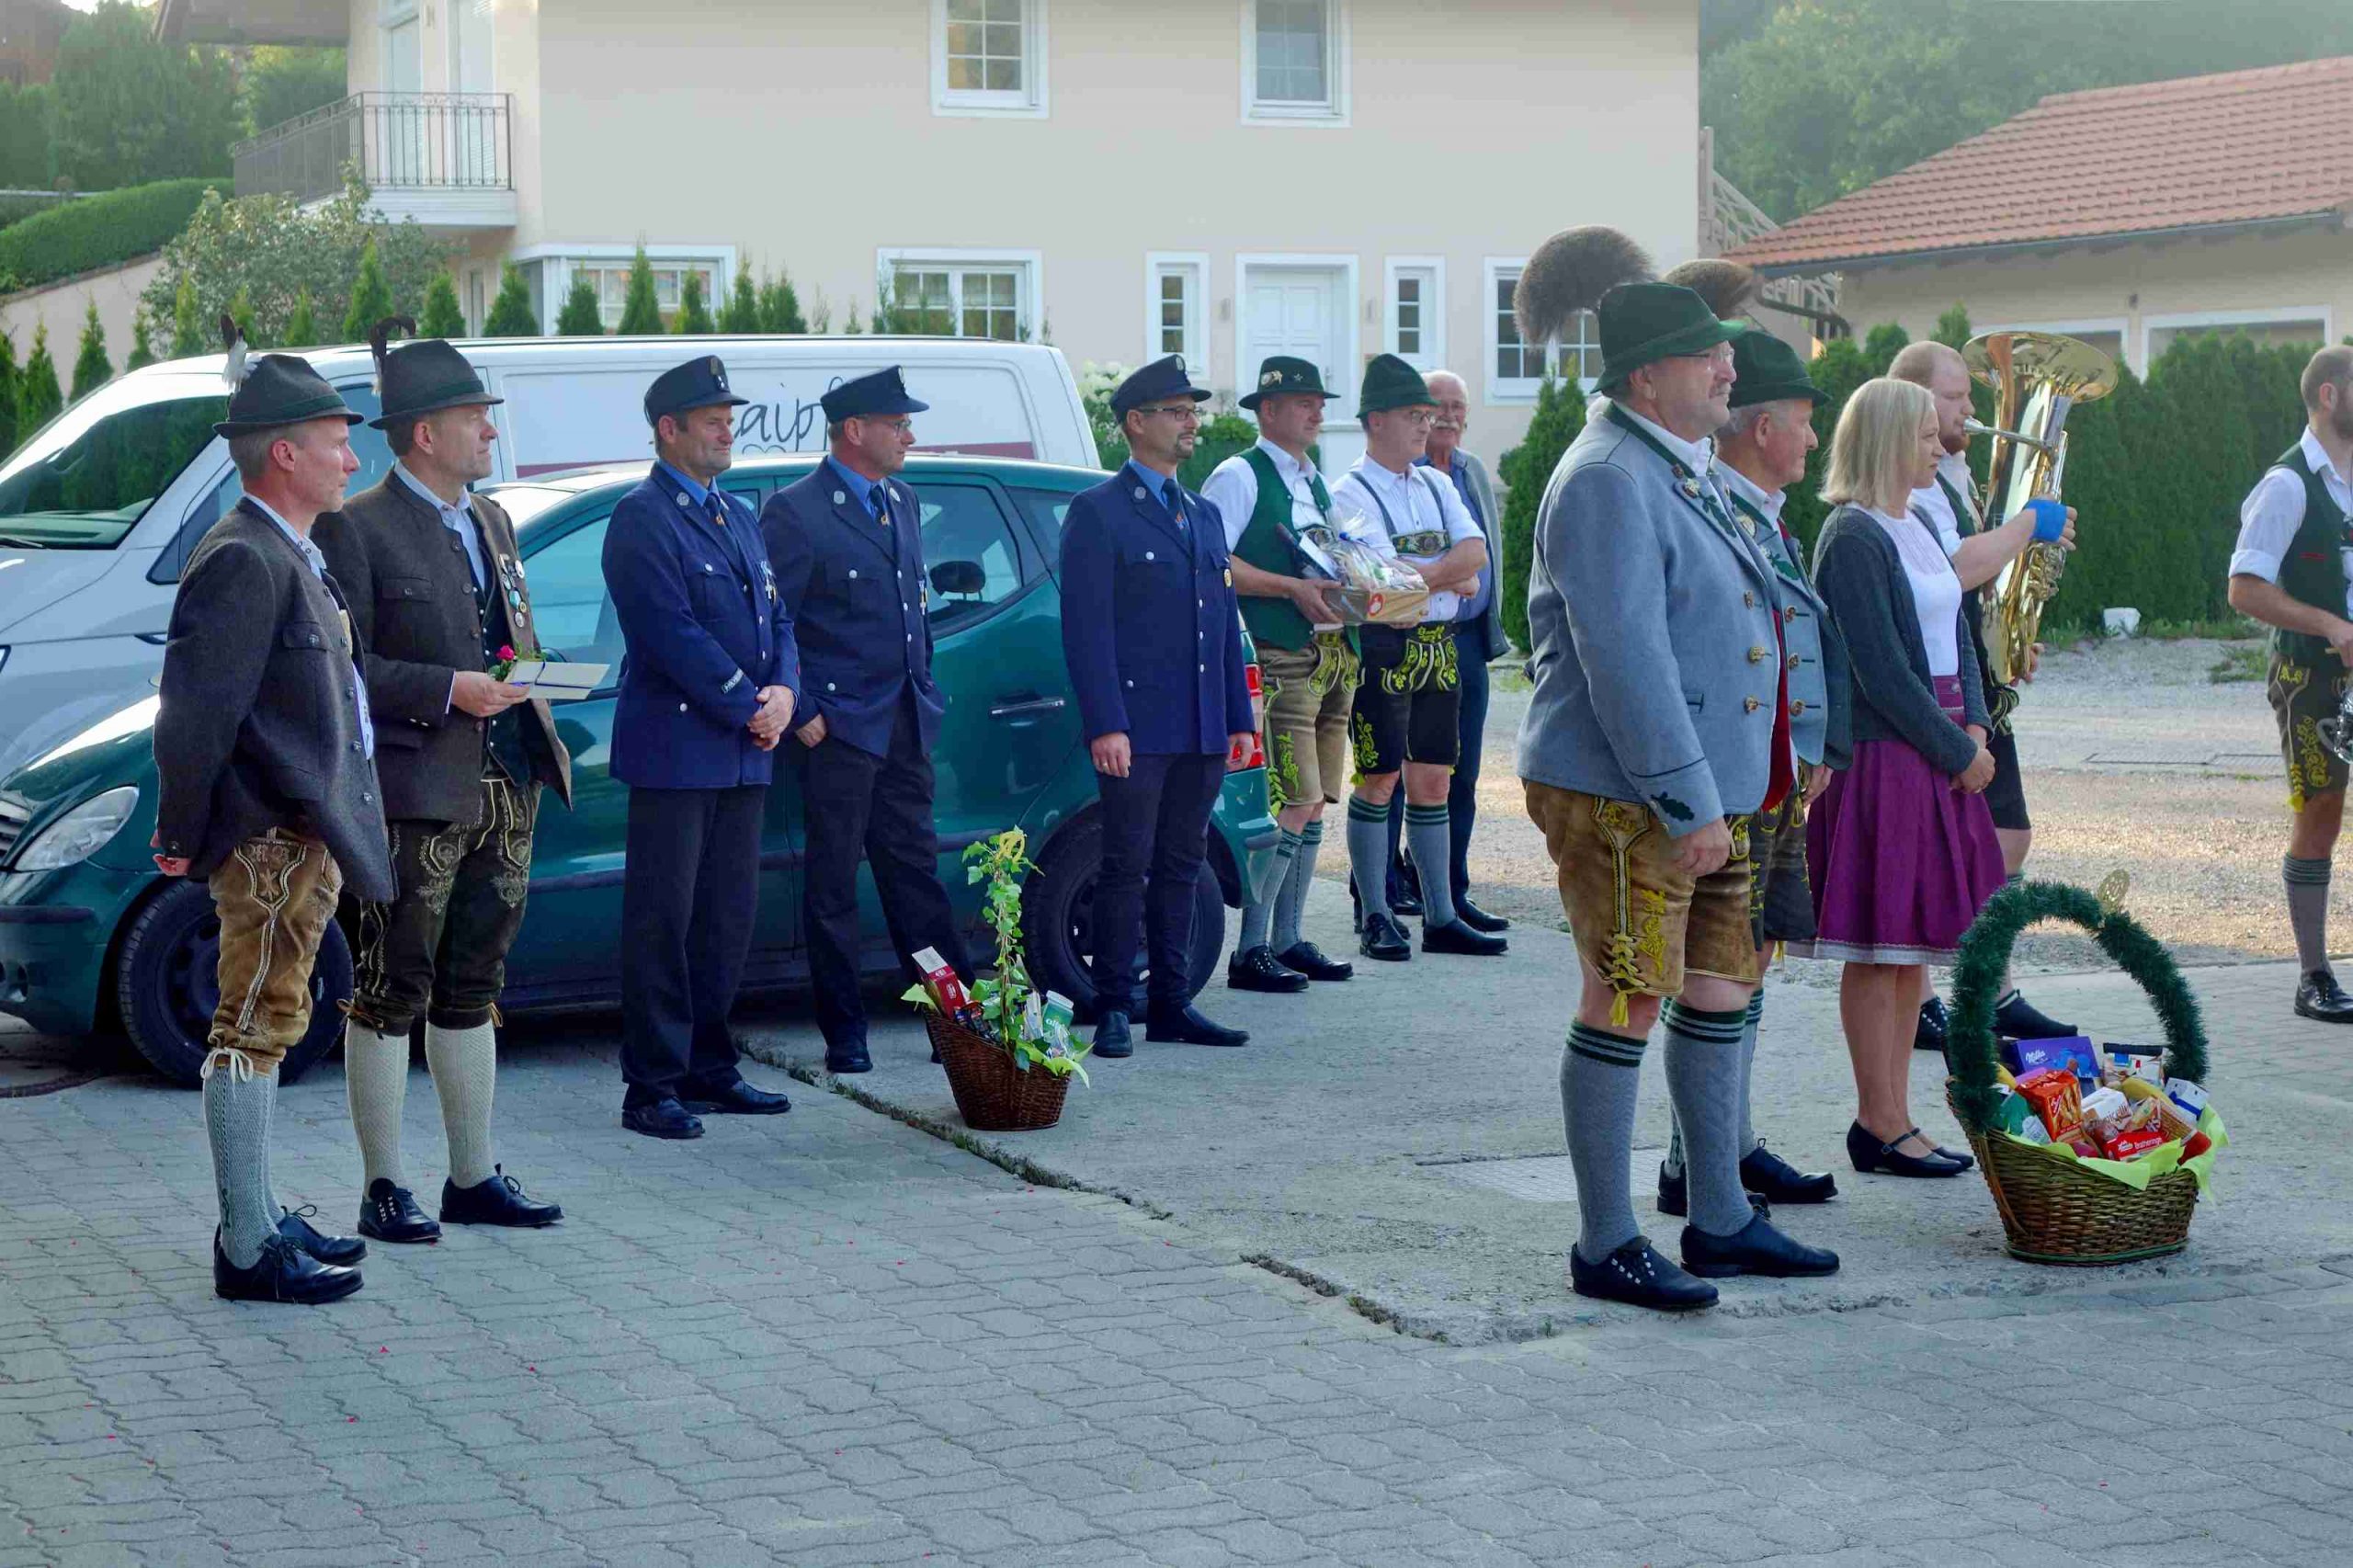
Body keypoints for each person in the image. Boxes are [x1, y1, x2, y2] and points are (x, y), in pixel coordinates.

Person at [1519, 280, 1836, 1312]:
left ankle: (1718, 1218)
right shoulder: (1608, 475)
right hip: (1631, 792)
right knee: (1626, 993)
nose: (1729, 368)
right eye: (1708, 356)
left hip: (1705, 786)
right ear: (1647, 375)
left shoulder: (1667, 461)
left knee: (1717, 984)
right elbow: (1628, 660)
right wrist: (1689, 800)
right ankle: (1605, 1242)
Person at [314, 326, 573, 1243]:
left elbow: (507, 636)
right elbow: (343, 669)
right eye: (475, 417)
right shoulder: (356, 526)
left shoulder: (492, 519)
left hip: (507, 779)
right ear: (425, 432)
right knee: (390, 986)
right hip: (415, 794)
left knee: (474, 983)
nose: (490, 431)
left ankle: (472, 1175)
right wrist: (446, 689)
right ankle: (383, 1185)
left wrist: (533, 674)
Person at [152, 343, 391, 1304]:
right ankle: (248, 1247)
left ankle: (255, 1211)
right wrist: (181, 832)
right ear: (284, 453)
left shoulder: (288, 547)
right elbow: (194, 714)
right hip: (266, 837)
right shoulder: (244, 556)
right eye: (337, 441)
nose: (353, 459)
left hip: (296, 832)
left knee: (271, 1020)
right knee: (251, 1026)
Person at [1658, 328, 1845, 1220]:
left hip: (1775, 765)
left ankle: (1725, 1146)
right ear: (1763, 428)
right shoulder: (1716, 507)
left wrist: (1812, 742)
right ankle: (1696, 1165)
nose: (1813, 438)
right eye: (1802, 421)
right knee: (1719, 964)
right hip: (1735, 766)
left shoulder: (1760, 511)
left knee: (1752, 955)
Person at [1802, 377, 2006, 1179]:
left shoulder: (1917, 521)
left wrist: (1978, 724)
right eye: (1924, 434)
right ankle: (1876, 1121)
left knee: (1912, 949)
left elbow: (1958, 629)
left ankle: (1899, 1119)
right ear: (1888, 440)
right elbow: (1880, 672)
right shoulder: (1851, 536)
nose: (1938, 444)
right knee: (1879, 948)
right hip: (1890, 756)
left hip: (1939, 747)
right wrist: (1957, 750)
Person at [603, 357, 800, 1139]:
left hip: (744, 751)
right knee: (665, 921)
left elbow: (778, 617)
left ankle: (709, 1067)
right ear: (669, 429)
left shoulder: (738, 515)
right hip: (679, 751)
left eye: (729, 417)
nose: (727, 429)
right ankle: (651, 1085)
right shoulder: (643, 518)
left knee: (725, 920)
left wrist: (786, 694)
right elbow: (669, 631)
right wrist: (750, 704)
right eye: (712, 419)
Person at [761, 368, 974, 1073]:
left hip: (903, 724)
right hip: (841, 731)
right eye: (898, 424)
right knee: (832, 888)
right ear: (855, 430)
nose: (909, 436)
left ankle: (956, 1024)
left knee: (917, 880)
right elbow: (772, 622)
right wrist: (805, 710)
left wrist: (925, 689)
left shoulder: (901, 500)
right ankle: (845, 1034)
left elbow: (913, 612)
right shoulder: (796, 512)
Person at [1058, 355, 1256, 1056]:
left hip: (1201, 725)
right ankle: (1115, 1002)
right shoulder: (1099, 512)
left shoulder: (1203, 514)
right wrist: (1106, 723)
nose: (1190, 423)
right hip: (1139, 728)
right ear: (1136, 423)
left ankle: (1172, 1002)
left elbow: (1222, 626)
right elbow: (1087, 631)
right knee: (1125, 862)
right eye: (1177, 412)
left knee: (1183, 863)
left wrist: (1238, 717)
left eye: (1193, 411)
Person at [1889, 341, 2078, 1050]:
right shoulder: (1911, 483)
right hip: (1935, 685)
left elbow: (1976, 583)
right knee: (1962, 844)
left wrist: (2009, 635)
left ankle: (1988, 990)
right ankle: (1938, 998)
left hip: (1973, 674)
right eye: (1955, 397)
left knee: (2006, 838)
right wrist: (2028, 524)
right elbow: (1953, 568)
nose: (1971, 409)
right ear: (1913, 400)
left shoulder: (1953, 475)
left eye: (1970, 396)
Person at [1199, 356, 1373, 993]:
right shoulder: (1238, 474)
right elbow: (1211, 562)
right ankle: (1251, 949)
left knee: (1316, 798)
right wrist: (1290, 589)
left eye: (1319, 403)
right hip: (1278, 654)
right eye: (1304, 402)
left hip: (1332, 655)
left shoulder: (1315, 480)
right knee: (1290, 800)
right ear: (1268, 410)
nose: (1317, 413)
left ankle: (1288, 937)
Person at [1332, 355, 1506, 963]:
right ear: (1376, 420)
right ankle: (1376, 913)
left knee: (1435, 779)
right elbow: (1380, 586)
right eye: (1414, 415)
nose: (1426, 426)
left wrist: (1417, 577)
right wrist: (1444, 577)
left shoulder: (1436, 484)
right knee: (1379, 778)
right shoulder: (1349, 493)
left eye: (1428, 416)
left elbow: (1475, 554)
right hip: (1382, 650)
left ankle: (1440, 916)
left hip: (1438, 645)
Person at [2225, 344, 2353, 1021]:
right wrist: (2330, 624)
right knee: (2320, 814)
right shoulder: (2287, 484)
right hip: (2312, 675)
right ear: (2330, 395)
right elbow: (2244, 588)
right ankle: (2313, 976)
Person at [1415, 369, 1511, 936]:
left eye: (1458, 406)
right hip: (1416, 639)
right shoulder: (1403, 475)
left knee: (1463, 773)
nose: (1449, 415)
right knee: (1401, 773)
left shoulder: (1471, 470)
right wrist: (1456, 575)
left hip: (1468, 642)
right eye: (1438, 406)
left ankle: (1453, 892)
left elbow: (1486, 553)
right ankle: (1382, 895)